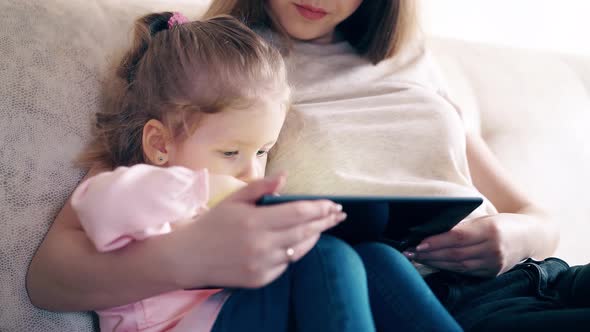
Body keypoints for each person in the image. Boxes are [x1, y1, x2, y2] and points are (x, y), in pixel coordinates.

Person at [27, 9, 462, 332]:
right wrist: (206, 190)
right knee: (326, 258)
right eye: (231, 152)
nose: (250, 172)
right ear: (159, 144)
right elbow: (101, 207)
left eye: (262, 152)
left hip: (242, 313)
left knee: (377, 259)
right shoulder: (133, 186)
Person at [201, 1, 590, 331]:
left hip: (537, 274)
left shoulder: (410, 56)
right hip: (432, 299)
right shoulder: (224, 66)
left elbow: (535, 216)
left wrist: (514, 236)